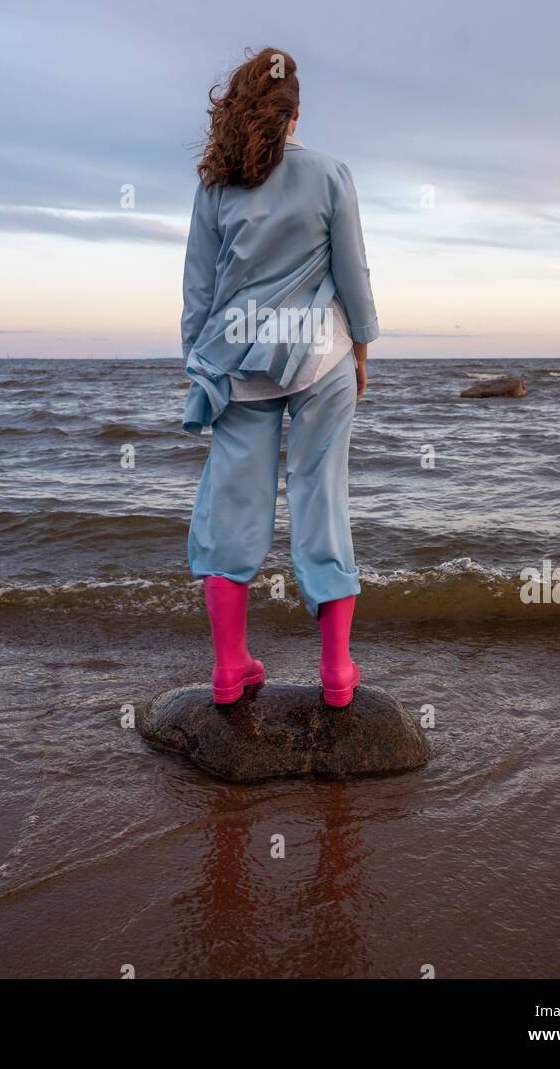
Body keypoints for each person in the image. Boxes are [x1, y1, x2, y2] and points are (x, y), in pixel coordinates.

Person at [181, 47, 379, 707]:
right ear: (294, 117)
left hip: (237, 365)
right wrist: (362, 347)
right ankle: (336, 673)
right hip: (320, 358)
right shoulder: (329, 174)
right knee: (321, 499)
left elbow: (198, 288)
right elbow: (352, 272)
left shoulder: (216, 185)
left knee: (231, 510)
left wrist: (197, 362)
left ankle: (229, 669)